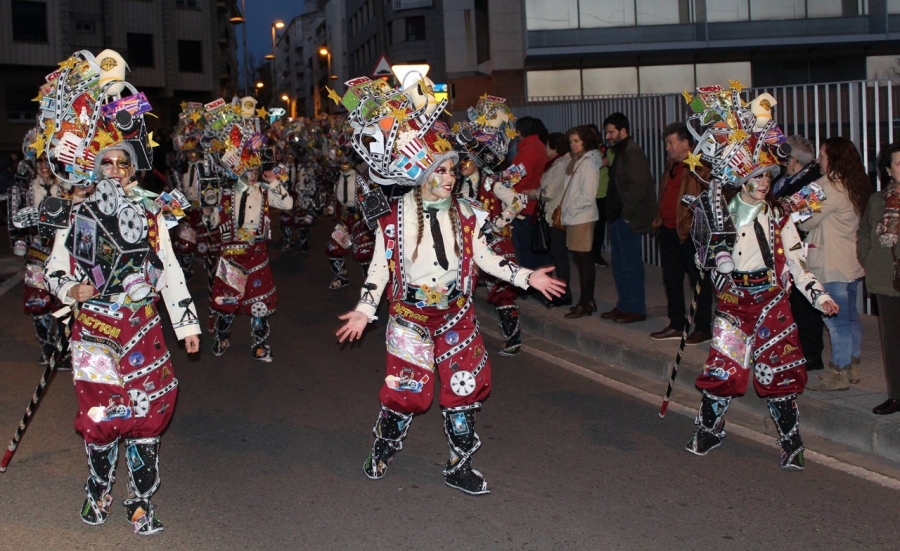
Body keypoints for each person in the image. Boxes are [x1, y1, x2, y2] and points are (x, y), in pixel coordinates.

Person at [332, 76, 565, 496]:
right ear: (420, 174)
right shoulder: (393, 218)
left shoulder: (469, 214)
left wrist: (526, 276)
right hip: (410, 316)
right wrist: (365, 310)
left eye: (452, 169)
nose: (450, 176)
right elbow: (378, 273)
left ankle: (460, 464)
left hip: (456, 313)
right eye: (442, 170)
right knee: (410, 396)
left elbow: (487, 259)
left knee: (464, 387)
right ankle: (384, 445)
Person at [34, 48, 201, 535]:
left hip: (142, 325)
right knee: (102, 414)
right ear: (94, 167)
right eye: (104, 162)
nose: (113, 170)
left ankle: (141, 501)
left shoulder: (152, 212)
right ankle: (98, 490)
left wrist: (187, 324)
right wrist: (73, 290)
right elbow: (53, 270)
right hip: (95, 328)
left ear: (132, 169)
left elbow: (169, 269)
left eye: (121, 163)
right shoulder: (78, 214)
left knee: (148, 412)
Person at [680, 84, 837, 471]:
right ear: (741, 178)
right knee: (724, 369)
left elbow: (796, 264)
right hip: (734, 303)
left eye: (768, 175)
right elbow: (705, 255)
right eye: (756, 176)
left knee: (779, 372)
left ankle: (790, 441)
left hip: (771, 302)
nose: (764, 182)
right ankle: (710, 428)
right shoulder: (721, 212)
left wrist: (818, 296)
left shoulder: (780, 215)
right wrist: (713, 261)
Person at [207, 163, 293, 362]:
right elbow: (211, 223)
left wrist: (273, 180)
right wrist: (207, 212)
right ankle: (222, 336)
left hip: (256, 252)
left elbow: (287, 204)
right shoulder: (224, 194)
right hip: (232, 253)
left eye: (255, 171)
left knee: (259, 302)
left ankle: (259, 345)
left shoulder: (264, 191)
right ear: (238, 171)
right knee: (228, 300)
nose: (252, 175)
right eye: (248, 171)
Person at [802, 137, 869, 391]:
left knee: (834, 320)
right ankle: (852, 366)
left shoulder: (827, 186)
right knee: (850, 317)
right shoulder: (857, 183)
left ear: (834, 158)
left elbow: (807, 220)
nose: (819, 160)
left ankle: (838, 372)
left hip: (830, 261)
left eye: (822, 155)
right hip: (850, 261)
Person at [649, 123, 713, 344]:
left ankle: (703, 327)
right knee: (671, 279)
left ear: (686, 144)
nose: (667, 147)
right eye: (667, 142)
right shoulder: (672, 166)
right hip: (668, 231)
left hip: (691, 232)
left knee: (698, 281)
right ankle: (676, 323)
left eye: (671, 142)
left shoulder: (699, 167)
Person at [772, 135, 826, 372]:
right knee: (789, 303)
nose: (781, 161)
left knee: (804, 305)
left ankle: (811, 354)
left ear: (793, 160)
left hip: (799, 249)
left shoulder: (811, 183)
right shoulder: (783, 180)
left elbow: (805, 218)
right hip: (778, 248)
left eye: (784, 157)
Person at [601, 112, 657, 324]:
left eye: (611, 132)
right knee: (620, 263)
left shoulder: (632, 153)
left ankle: (635, 307)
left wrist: (625, 214)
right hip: (618, 216)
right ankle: (625, 304)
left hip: (627, 218)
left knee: (630, 264)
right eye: (607, 132)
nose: (608, 136)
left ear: (624, 131)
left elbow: (639, 186)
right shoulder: (621, 152)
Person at [858, 143, 900, 414]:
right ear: (888, 170)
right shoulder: (876, 201)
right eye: (899, 163)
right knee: (893, 342)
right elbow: (863, 234)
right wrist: (869, 260)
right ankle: (896, 395)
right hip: (887, 280)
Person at [558, 126, 602, 318]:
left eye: (577, 141)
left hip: (581, 217)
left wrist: (569, 207)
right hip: (575, 217)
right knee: (580, 261)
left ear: (586, 141)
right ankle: (587, 299)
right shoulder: (578, 161)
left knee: (584, 262)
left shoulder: (588, 162)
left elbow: (588, 195)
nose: (573, 145)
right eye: (571, 142)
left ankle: (585, 303)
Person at [527, 132, 572, 307]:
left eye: (547, 146)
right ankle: (558, 291)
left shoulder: (560, 165)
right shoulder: (556, 163)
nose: (545, 149)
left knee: (559, 255)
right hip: (551, 213)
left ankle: (563, 293)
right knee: (555, 254)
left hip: (555, 215)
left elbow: (549, 192)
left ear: (554, 147)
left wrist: (532, 193)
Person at [508, 116, 551, 270]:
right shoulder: (540, 146)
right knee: (538, 247)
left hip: (524, 206)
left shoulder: (526, 151)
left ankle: (530, 283)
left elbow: (516, 179)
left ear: (519, 132)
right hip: (536, 204)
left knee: (525, 248)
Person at [325, 158, 375, 289]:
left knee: (365, 251)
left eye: (347, 163)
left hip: (359, 220)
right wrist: (331, 207)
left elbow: (370, 195)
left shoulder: (361, 179)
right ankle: (342, 277)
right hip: (343, 219)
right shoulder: (337, 179)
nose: (344, 165)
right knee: (334, 248)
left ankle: (370, 281)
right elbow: (334, 195)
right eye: (342, 163)